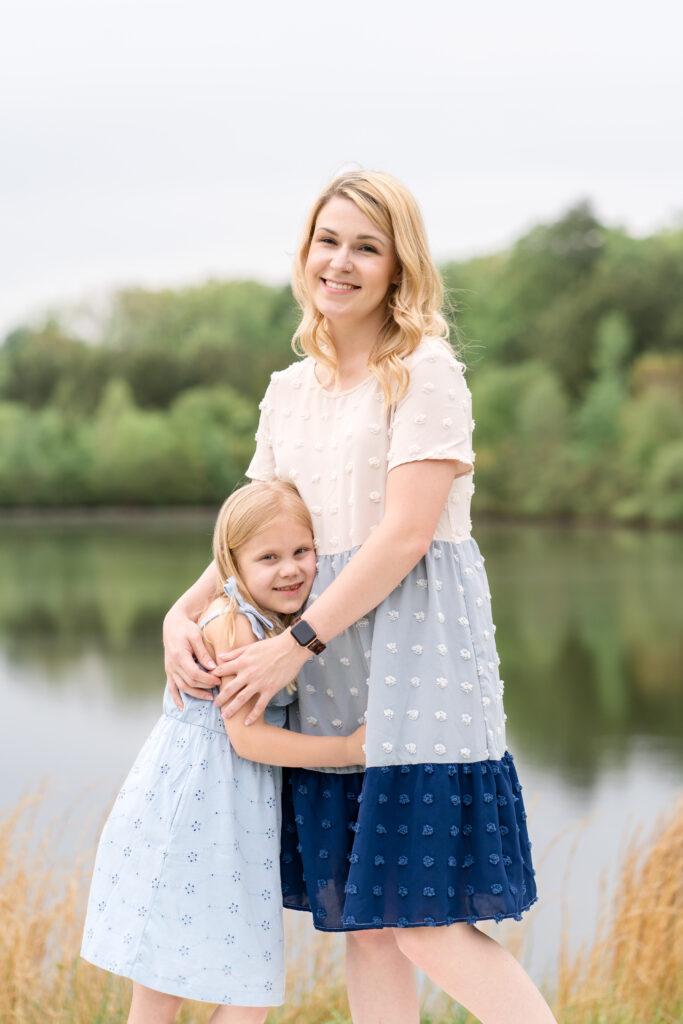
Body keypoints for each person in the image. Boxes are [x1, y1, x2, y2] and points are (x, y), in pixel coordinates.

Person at [163, 170, 557, 1024]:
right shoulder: (289, 388)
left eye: (365, 247)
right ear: (305, 254)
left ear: (396, 268)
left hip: (415, 659)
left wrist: (291, 642)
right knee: (369, 926)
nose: (340, 262)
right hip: (329, 664)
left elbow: (407, 536)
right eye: (327, 241)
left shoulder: (424, 370)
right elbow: (251, 530)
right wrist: (179, 613)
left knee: (423, 925)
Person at [81, 480, 366, 1024]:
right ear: (231, 565)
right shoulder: (233, 624)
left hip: (228, 822)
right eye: (269, 557)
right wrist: (348, 749)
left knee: (239, 985)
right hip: (191, 818)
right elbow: (248, 738)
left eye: (302, 552)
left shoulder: (267, 621)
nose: (291, 570)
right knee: (175, 985)